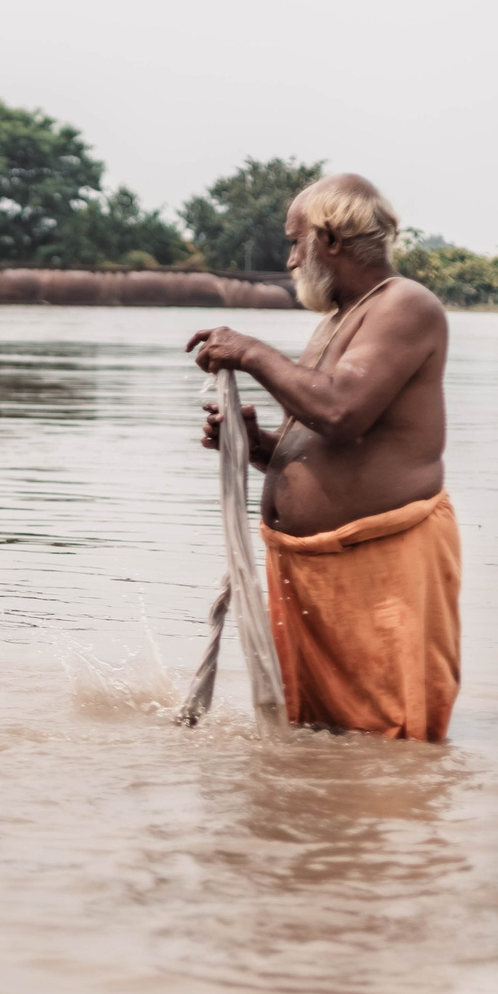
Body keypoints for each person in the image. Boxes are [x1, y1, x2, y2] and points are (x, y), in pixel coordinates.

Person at [184, 175, 458, 741]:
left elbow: (340, 411)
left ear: (329, 239)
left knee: (390, 747)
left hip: (379, 567)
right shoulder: (339, 318)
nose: (289, 260)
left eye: (294, 242)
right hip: (310, 573)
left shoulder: (405, 304)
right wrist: (256, 444)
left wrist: (249, 352)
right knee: (318, 746)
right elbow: (333, 446)